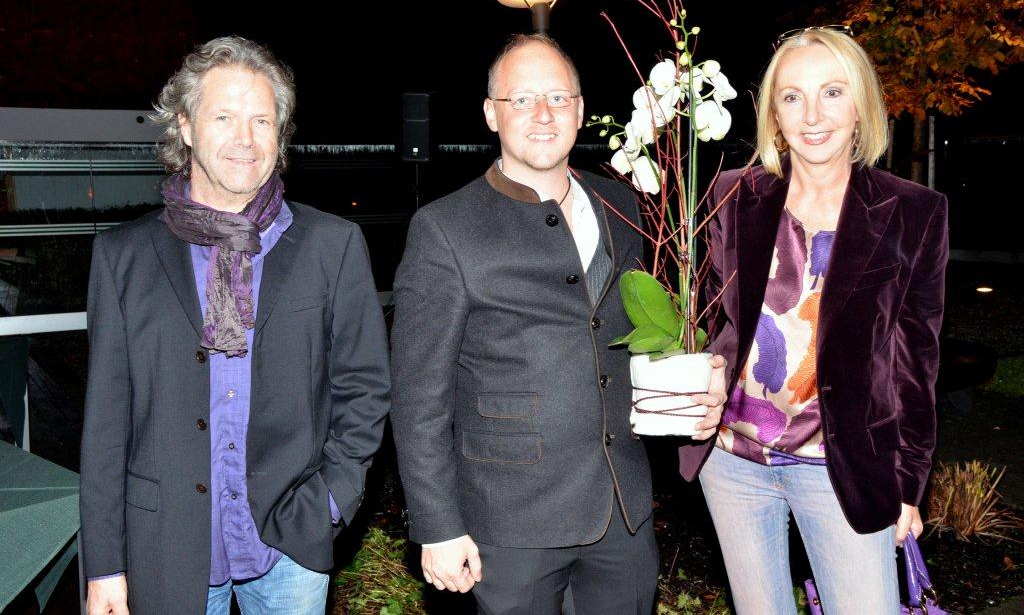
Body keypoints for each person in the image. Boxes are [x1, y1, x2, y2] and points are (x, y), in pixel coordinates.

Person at [390, 33, 726, 614]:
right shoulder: (444, 228)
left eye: (558, 97)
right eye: (521, 99)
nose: (543, 114)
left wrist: (693, 381)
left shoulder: (622, 207)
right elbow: (418, 395)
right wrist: (438, 525)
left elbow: (634, 334)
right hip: (508, 521)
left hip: (621, 510)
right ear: (491, 114)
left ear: (580, 108)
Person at [80, 36, 391, 615]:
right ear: (185, 126)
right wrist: (104, 565)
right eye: (224, 117)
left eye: (262, 120)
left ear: (280, 134)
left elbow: (365, 388)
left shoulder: (332, 245)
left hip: (290, 546)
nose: (246, 139)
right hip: (164, 545)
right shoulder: (123, 257)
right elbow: (105, 426)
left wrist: (331, 499)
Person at [679, 26, 948, 614]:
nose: (812, 115)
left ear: (861, 104)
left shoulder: (913, 211)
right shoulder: (731, 195)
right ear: (774, 114)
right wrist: (699, 377)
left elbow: (917, 364)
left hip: (843, 467)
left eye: (832, 92)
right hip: (732, 461)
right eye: (792, 96)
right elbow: (707, 322)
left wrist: (909, 484)